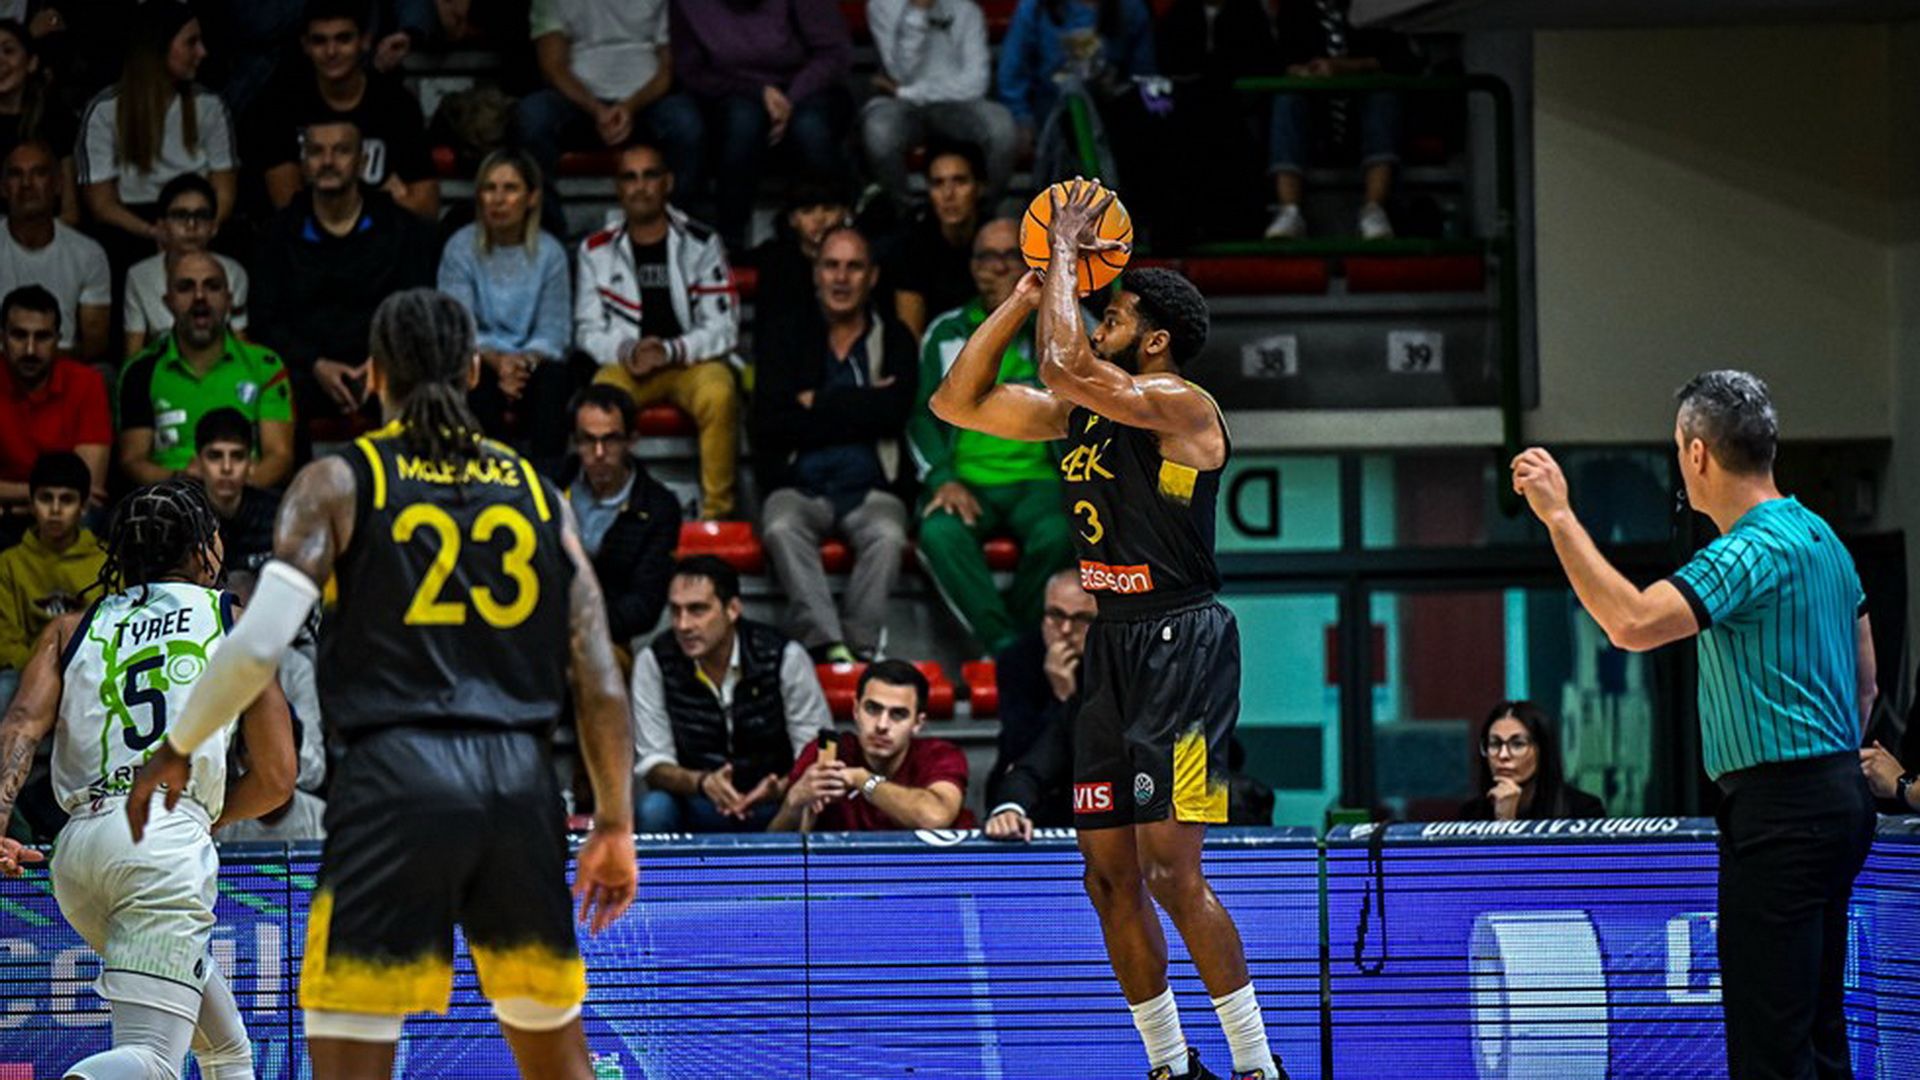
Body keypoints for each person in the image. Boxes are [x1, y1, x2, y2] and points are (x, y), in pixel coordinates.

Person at [126, 289, 637, 1080]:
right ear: (473, 372)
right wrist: (615, 822)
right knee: (559, 1064)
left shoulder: (340, 481)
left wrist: (178, 746)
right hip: (518, 786)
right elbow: (599, 675)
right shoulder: (539, 492)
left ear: (374, 374)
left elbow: (258, 642)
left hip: (394, 783)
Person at [931, 182, 1285, 1080]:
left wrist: (1060, 254)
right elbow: (957, 402)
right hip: (1112, 647)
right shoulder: (1078, 410)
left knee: (1171, 871)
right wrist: (1022, 296)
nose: (1096, 319)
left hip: (1186, 647)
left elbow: (1066, 366)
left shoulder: (1184, 406)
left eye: (1114, 313)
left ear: (1154, 339)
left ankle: (1257, 1066)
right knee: (1106, 876)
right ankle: (1170, 1065)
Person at [1510, 369, 1876, 1080]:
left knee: (1771, 1043)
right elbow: (1867, 682)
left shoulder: (1750, 549)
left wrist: (1559, 516)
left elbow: (1631, 623)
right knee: (1818, 1031)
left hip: (1780, 811)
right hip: (1838, 796)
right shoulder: (1823, 538)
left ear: (1698, 453)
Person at [0, 479, 294, 1080]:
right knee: (154, 1059)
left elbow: (21, 726)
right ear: (202, 548)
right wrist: (205, 818)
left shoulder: (71, 628)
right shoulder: (230, 618)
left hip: (79, 855)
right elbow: (277, 775)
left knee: (228, 1052)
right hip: (160, 841)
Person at [753, 225, 917, 664]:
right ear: (815, 273)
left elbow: (894, 412)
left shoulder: (895, 338)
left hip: (872, 489)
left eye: (853, 267)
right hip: (800, 487)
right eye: (831, 266)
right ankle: (826, 644)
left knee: (888, 535)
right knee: (780, 526)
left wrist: (817, 403)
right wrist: (863, 404)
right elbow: (771, 423)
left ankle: (860, 649)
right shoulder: (784, 336)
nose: (841, 278)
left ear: (873, 277)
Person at [910, 217, 1074, 655]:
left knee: (1063, 531)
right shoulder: (946, 332)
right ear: (973, 268)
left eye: (1010, 256)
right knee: (939, 533)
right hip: (968, 479)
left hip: (1041, 481)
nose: (999, 267)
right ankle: (1005, 646)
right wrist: (942, 478)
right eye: (987, 257)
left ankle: (1021, 644)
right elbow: (921, 418)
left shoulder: (1059, 327)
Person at [577, 141, 740, 519]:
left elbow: (724, 326)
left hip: (690, 363)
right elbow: (587, 330)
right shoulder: (595, 250)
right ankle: (607, 510)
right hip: (628, 365)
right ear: (618, 187)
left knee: (719, 392)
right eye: (630, 177)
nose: (640, 186)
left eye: (650, 175)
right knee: (601, 401)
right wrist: (628, 351)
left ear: (668, 182)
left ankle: (717, 515)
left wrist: (671, 351)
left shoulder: (701, 242)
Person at [251, 118, 437, 430]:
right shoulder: (277, 234)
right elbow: (266, 320)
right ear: (304, 164)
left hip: (385, 367)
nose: (327, 161)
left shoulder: (402, 229)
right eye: (316, 152)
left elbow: (416, 309)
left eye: (341, 151)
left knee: (420, 382)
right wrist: (316, 364)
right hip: (306, 370)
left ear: (362, 162)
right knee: (272, 384)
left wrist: (381, 364)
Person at [633, 555, 832, 832]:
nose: (683, 624)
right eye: (675, 611)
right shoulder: (654, 660)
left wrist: (783, 786)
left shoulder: (784, 656)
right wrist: (703, 782)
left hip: (776, 802)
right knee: (654, 809)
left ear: (733, 609)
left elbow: (821, 750)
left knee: (820, 801)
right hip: (698, 801)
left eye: (697, 610)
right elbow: (653, 764)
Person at [667, 0, 854, 252]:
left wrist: (790, 100)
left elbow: (834, 53)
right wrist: (757, 91)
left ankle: (843, 241)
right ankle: (729, 247)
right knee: (742, 124)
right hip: (731, 90)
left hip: (809, 87)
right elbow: (692, 71)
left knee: (810, 128)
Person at [515, 0, 698, 238]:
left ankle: (674, 234)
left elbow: (667, 68)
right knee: (532, 116)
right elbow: (553, 66)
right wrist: (596, 109)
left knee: (687, 125)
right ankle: (548, 235)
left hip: (646, 101)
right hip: (578, 103)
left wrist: (629, 107)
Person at [243, 0, 440, 221]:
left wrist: (329, 201)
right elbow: (288, 210)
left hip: (384, 239)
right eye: (319, 41)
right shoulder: (282, 106)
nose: (331, 51)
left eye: (343, 39)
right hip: (310, 240)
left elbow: (427, 207)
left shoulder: (397, 104)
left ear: (365, 41)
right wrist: (383, 199)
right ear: (305, 45)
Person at [117, 251, 294, 488]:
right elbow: (133, 460)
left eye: (212, 286)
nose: (200, 296)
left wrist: (228, 492)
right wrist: (183, 483)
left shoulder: (265, 365)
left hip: (247, 493)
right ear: (168, 302)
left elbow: (279, 456)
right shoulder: (139, 370)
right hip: (172, 496)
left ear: (229, 300)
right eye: (185, 287)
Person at [439, 148, 573, 458]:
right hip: (481, 358)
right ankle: (486, 477)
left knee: (556, 380)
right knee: (471, 379)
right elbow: (458, 328)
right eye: (489, 188)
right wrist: (498, 362)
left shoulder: (550, 254)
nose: (498, 199)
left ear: (532, 198)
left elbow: (554, 332)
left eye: (510, 188)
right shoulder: (460, 248)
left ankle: (546, 482)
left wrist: (521, 364)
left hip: (533, 364)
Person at [77, 1, 236, 250]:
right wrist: (154, 232)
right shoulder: (105, 110)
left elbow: (224, 189)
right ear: (158, 48)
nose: (202, 52)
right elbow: (101, 204)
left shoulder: (210, 105)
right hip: (133, 227)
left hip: (199, 219)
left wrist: (201, 229)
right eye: (191, 43)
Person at [1261, 0, 1414, 241]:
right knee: (1288, 97)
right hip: (1315, 128)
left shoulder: (1377, 9)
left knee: (1383, 93)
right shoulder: (1295, 11)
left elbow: (1405, 57)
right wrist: (1302, 72)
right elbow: (1275, 59)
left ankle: (1374, 209)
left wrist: (1350, 67)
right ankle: (1289, 210)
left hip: (1361, 125)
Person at [770, 659, 973, 831]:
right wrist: (793, 802)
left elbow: (935, 817)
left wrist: (863, 780)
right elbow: (771, 852)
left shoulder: (940, 755)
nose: (882, 725)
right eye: (872, 709)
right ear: (856, 710)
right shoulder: (827, 752)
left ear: (918, 723)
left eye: (898, 714)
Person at [862, 0, 1017, 209]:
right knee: (879, 131)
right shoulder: (881, 5)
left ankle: (984, 211)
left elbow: (976, 84)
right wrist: (918, 13)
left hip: (959, 104)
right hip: (901, 107)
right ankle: (904, 214)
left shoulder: (967, 9)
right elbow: (901, 73)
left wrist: (905, 92)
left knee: (1002, 127)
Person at [559, 385, 681, 648]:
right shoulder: (549, 487)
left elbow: (644, 606)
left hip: (606, 639)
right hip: (542, 633)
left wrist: (580, 625)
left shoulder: (658, 507)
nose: (599, 453)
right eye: (588, 440)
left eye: (611, 440)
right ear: (575, 442)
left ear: (631, 440)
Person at [984, 567, 1095, 839]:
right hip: (1031, 792)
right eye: (1056, 615)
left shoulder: (1119, 664)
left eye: (1081, 619)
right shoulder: (1017, 658)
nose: (1066, 630)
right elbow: (1021, 749)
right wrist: (1059, 700)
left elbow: (1097, 752)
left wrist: (1068, 698)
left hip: (1094, 793)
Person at [0, 451, 98, 711]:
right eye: (46, 498)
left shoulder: (105, 562)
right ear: (32, 504)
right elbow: (6, 641)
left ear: (83, 506)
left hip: (91, 672)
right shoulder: (8, 563)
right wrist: (44, 672)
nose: (55, 510)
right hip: (25, 674)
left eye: (66, 499)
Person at [0, 285, 108, 518]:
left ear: (58, 340)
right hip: (38, 513)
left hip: (64, 518)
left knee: (90, 517)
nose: (30, 349)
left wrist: (9, 506)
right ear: (2, 337)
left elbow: (87, 489)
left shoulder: (86, 382)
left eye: (42, 337)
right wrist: (41, 495)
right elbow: (74, 491)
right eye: (19, 335)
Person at [122, 170, 249, 356]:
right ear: (162, 225)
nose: (191, 225)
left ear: (214, 227)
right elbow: (134, 353)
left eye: (201, 215)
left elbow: (241, 344)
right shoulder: (139, 276)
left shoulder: (233, 272)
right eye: (180, 215)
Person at [0, 139, 106, 361]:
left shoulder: (88, 254)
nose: (27, 183)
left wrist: (37, 359)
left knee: (103, 373)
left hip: (63, 366)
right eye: (16, 174)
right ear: (3, 187)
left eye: (38, 173)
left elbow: (94, 345)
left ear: (58, 185)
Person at [888, 139, 987, 339]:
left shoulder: (997, 241)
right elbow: (911, 336)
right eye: (938, 183)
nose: (948, 195)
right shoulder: (911, 246)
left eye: (960, 181)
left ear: (980, 187)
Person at [1457, 700, 1606, 822]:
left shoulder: (1583, 811)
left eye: (1517, 744)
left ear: (1542, 750)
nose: (1503, 755)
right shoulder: (1470, 815)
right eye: (1495, 744)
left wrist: (1507, 823)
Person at [747, 173, 851, 334]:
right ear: (792, 219)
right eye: (807, 211)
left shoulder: (862, 260)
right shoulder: (774, 259)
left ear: (844, 213)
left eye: (829, 209)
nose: (819, 219)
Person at [0, 20, 79, 223]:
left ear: (32, 63)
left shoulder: (56, 118)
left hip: (49, 234)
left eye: (8, 51)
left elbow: (70, 211)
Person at [187, 407, 282, 576]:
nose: (227, 467)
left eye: (237, 456)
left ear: (251, 464)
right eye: (215, 456)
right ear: (197, 464)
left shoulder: (278, 515)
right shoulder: (182, 519)